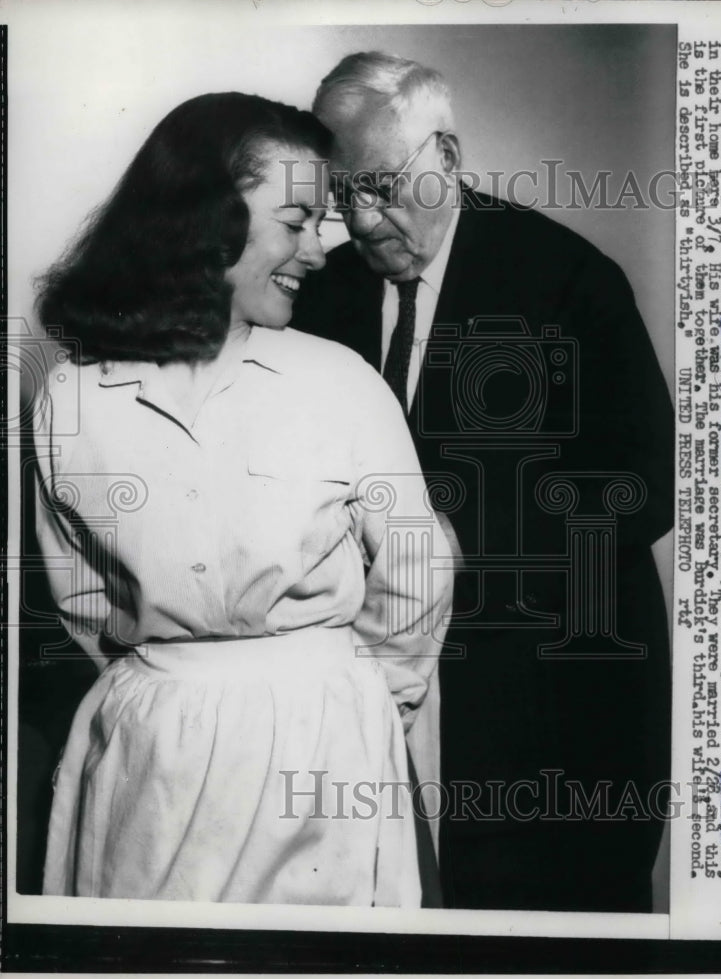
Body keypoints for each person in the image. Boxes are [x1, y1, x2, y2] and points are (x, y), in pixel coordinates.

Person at [32, 92, 453, 905]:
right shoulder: (70, 398)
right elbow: (79, 597)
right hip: (150, 753)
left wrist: (352, 702)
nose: (320, 249)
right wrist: (181, 684)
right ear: (202, 220)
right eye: (295, 221)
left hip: (325, 748)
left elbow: (415, 572)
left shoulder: (338, 383)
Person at [292, 52, 675, 912]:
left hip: (551, 702)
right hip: (382, 702)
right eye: (339, 194)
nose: (359, 218)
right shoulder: (318, 302)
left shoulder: (569, 279)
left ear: (449, 158)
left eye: (382, 185)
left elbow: (646, 479)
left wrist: (460, 545)